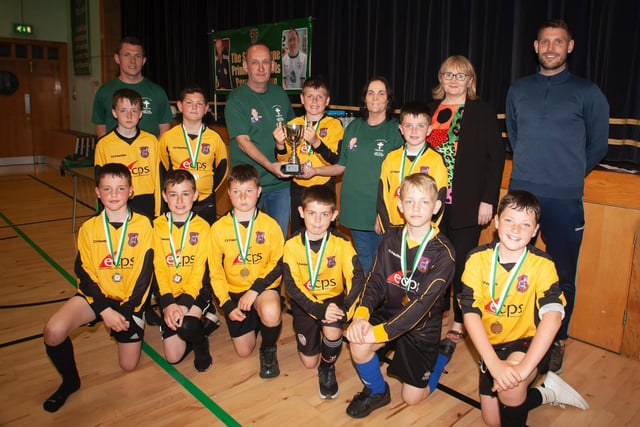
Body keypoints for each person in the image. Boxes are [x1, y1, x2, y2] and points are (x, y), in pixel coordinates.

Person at [506, 19, 609, 373]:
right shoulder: (519, 89)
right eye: (545, 42)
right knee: (515, 267)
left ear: (570, 46)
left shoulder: (587, 91)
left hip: (565, 199)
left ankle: (557, 338)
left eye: (558, 42)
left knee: (563, 274)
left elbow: (597, 144)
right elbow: (515, 136)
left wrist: (568, 172)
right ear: (536, 47)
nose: (551, 48)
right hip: (522, 195)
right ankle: (519, 333)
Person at [459, 191, 589, 427]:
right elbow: (470, 313)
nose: (516, 230)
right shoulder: (476, 259)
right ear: (496, 222)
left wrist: (523, 369)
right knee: (492, 421)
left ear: (536, 230)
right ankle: (546, 392)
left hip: (526, 342)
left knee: (512, 387)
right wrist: (493, 363)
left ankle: (521, 386)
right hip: (491, 346)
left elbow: (553, 316)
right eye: (509, 220)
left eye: (525, 224)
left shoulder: (543, 264)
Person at [42, 163, 153, 412]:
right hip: (96, 299)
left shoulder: (144, 226)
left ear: (131, 192)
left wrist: (126, 311)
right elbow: (84, 273)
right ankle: (70, 381)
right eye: (107, 188)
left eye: (120, 188)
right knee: (53, 331)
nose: (114, 194)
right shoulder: (89, 229)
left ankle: (136, 322)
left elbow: (145, 275)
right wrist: (104, 311)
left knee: (128, 367)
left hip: (128, 302)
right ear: (97, 192)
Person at [345, 173, 455, 418]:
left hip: (422, 326)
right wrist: (361, 315)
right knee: (358, 341)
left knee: (412, 398)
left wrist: (380, 333)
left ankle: (439, 358)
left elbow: (421, 305)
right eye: (410, 201)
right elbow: (374, 280)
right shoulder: (391, 237)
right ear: (399, 205)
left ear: (436, 206)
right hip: (391, 311)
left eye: (424, 202)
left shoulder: (444, 253)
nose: (416, 208)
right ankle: (377, 391)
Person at [426, 55, 505, 345]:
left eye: (461, 75)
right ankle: (434, 315)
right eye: (449, 74)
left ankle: (460, 320)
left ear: (470, 80)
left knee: (461, 266)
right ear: (441, 77)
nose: (454, 80)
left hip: (467, 202)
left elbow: (495, 159)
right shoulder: (431, 110)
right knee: (433, 264)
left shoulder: (481, 111)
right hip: (430, 204)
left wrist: (488, 201)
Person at [313, 76, 404, 274]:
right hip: (355, 207)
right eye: (371, 93)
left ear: (389, 99)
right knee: (364, 260)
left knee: (384, 264)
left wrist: (384, 212)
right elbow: (341, 166)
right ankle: (368, 303)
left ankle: (378, 303)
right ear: (364, 98)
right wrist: (315, 171)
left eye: (381, 93)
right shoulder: (353, 127)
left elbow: (399, 176)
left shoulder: (395, 131)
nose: (375, 97)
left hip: (379, 210)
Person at [282, 185, 365, 399]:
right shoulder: (291, 245)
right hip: (305, 304)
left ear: (334, 215)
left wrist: (345, 309)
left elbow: (357, 277)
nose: (317, 221)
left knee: (333, 331)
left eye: (324, 214)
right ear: (301, 212)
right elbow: (292, 287)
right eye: (311, 213)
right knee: (309, 362)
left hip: (333, 299)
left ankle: (327, 367)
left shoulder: (342, 243)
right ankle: (313, 337)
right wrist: (319, 311)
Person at [209, 164, 284, 378]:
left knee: (270, 311)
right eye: (236, 192)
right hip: (234, 292)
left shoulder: (270, 226)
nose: (243, 197)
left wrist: (255, 290)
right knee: (243, 352)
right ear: (228, 193)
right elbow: (215, 271)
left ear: (258, 192)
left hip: (261, 289)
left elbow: (279, 263)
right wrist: (226, 303)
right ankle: (257, 322)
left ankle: (268, 348)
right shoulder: (218, 228)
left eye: (249, 191)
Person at [225, 42, 296, 237]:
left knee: (277, 238)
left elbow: (293, 134)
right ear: (246, 67)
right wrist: (270, 165)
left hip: (280, 185)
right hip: (247, 185)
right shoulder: (236, 100)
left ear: (273, 66)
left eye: (266, 62)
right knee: (247, 239)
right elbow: (243, 142)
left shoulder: (280, 94)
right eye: (255, 63)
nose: (261, 68)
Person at [153, 169, 213, 372]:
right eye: (173, 194)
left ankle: (201, 344)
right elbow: (159, 267)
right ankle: (204, 323)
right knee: (173, 357)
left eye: (185, 194)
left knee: (187, 325)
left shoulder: (204, 227)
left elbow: (199, 270)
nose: (179, 200)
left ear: (195, 195)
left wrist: (186, 303)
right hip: (168, 292)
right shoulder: (156, 227)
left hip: (196, 292)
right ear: (164, 196)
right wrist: (168, 302)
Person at [273, 75, 344, 236]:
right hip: (298, 188)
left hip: (323, 187)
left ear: (327, 101)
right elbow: (283, 160)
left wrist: (316, 142)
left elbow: (334, 160)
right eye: (310, 96)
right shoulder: (294, 124)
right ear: (302, 99)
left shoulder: (334, 125)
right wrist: (279, 144)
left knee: (326, 234)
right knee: (299, 233)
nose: (314, 101)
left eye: (319, 97)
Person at [159, 86, 228, 225]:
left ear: (206, 108)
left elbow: (223, 168)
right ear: (179, 106)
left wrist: (208, 189)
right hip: (178, 202)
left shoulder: (215, 138)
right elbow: (163, 170)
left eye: (199, 104)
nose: (194, 107)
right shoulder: (168, 138)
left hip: (205, 201)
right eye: (189, 103)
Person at [378, 101, 448, 232]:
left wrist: (427, 231)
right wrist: (387, 230)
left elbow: (440, 200)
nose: (414, 131)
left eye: (420, 126)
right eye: (408, 125)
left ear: (429, 130)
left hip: (422, 233)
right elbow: (382, 199)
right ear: (401, 129)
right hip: (394, 230)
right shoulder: (391, 158)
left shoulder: (436, 161)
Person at [94, 88, 161, 220]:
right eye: (123, 110)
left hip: (147, 202)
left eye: (134, 111)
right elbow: (100, 182)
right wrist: (103, 213)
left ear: (141, 113)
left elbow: (159, 179)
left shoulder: (151, 141)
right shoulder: (104, 145)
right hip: (118, 203)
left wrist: (159, 211)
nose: (129, 116)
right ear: (114, 113)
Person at [92, 36, 173, 138]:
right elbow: (101, 131)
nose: (133, 60)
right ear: (117, 58)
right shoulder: (104, 92)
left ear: (143, 61)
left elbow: (164, 131)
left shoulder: (158, 92)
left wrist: (157, 153)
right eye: (127, 55)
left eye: (137, 56)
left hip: (148, 153)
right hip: (116, 153)